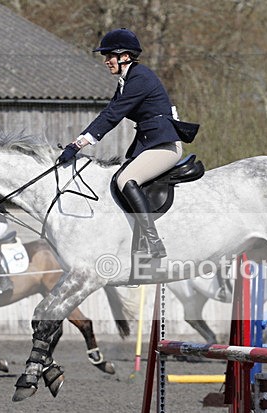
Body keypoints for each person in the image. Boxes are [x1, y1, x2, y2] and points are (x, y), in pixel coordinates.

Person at [57, 28, 198, 259]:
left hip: (164, 146)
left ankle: (153, 242)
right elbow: (108, 113)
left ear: (125, 56)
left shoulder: (140, 78)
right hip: (151, 143)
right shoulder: (128, 79)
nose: (106, 61)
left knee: (125, 179)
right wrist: (76, 142)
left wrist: (79, 144)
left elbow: (113, 115)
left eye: (109, 56)